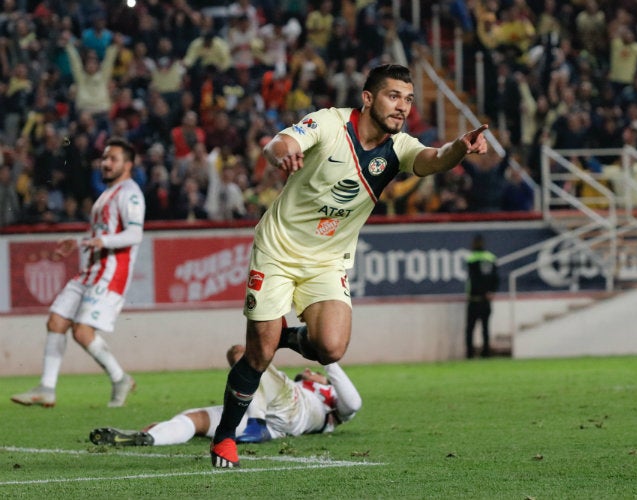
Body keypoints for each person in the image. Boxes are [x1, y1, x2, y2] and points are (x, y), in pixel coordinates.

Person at [208, 63, 489, 468]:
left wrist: (460, 147)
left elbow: (434, 159)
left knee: (331, 347)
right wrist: (285, 154)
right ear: (369, 98)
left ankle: (281, 338)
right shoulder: (329, 123)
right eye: (394, 96)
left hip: (326, 261)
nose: (402, 107)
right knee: (257, 356)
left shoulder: (399, 148)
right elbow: (279, 143)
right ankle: (224, 439)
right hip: (277, 250)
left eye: (409, 99)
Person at [11, 137, 145, 408]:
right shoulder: (107, 194)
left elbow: (134, 233)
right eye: (104, 158)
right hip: (91, 270)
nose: (106, 163)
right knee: (56, 321)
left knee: (82, 332)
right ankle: (47, 388)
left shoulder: (130, 193)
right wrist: (80, 242)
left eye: (113, 159)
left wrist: (101, 242)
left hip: (111, 273)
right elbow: (102, 233)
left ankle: (119, 378)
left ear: (128, 165)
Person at [89, 343, 361, 446]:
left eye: (311, 372)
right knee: (192, 419)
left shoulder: (328, 399)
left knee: (240, 353)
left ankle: (255, 422)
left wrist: (328, 357)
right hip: (273, 421)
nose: (305, 368)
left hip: (288, 408)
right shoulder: (311, 389)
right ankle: (151, 437)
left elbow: (354, 403)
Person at [464, 234, 499, 358]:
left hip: (474, 299)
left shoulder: (471, 259)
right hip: (486, 299)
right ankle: (486, 353)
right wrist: (491, 291)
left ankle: (470, 354)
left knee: (470, 329)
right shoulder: (490, 257)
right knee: (485, 328)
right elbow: (496, 278)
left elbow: (473, 279)